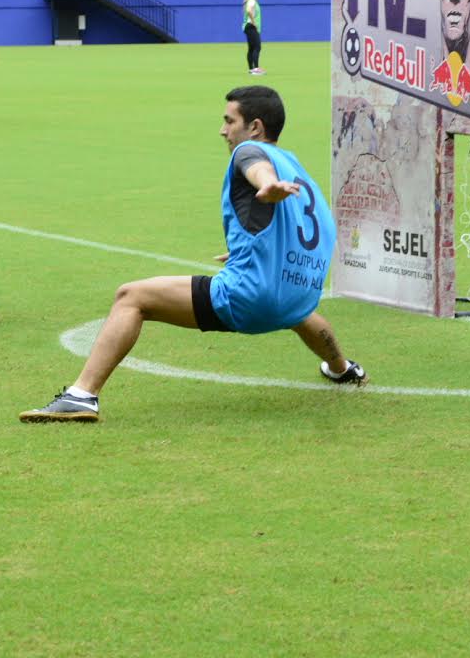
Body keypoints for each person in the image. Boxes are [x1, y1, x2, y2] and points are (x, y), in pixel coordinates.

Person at [20, 85, 366, 424]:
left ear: (255, 127)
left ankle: (81, 396)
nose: (223, 130)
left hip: (251, 299)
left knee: (131, 297)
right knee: (297, 314)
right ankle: (342, 368)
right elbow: (297, 230)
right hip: (300, 296)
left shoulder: (248, 153)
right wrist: (247, 250)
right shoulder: (299, 170)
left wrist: (265, 184)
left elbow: (256, 167)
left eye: (230, 121)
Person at [243, 0, 264, 75]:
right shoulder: (252, 1)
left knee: (251, 48)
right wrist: (253, 21)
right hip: (251, 26)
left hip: (248, 27)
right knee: (257, 47)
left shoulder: (250, 1)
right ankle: (256, 69)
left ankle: (251, 69)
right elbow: (248, 10)